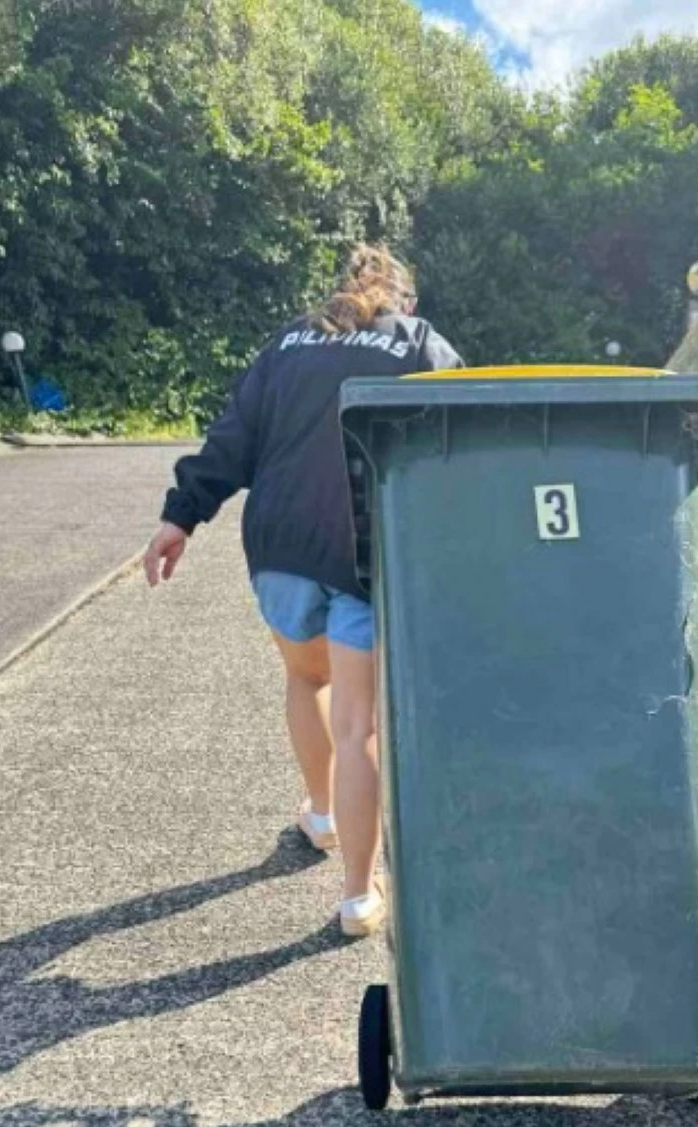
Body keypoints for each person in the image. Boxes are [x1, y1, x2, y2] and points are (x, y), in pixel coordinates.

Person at [145, 245, 462, 936]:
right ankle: (357, 895)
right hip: (366, 547)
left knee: (304, 678)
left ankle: (320, 812)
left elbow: (233, 438)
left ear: (338, 298)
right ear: (400, 299)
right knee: (359, 724)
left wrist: (181, 516)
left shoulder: (286, 345)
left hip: (281, 545)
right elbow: (459, 436)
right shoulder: (417, 343)